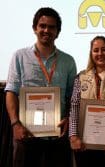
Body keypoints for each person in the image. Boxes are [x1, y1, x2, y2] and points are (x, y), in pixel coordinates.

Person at [4, 7, 77, 167]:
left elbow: (73, 97)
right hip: (26, 134)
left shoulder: (68, 61)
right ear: (35, 28)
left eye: (52, 27)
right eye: (42, 25)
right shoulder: (19, 56)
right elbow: (11, 92)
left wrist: (69, 119)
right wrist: (15, 124)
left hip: (58, 136)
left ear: (57, 32)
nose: (46, 30)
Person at [69, 36, 105, 166]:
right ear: (91, 53)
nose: (100, 54)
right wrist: (73, 136)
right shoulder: (81, 77)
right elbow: (74, 108)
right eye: (96, 50)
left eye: (104, 50)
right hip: (83, 143)